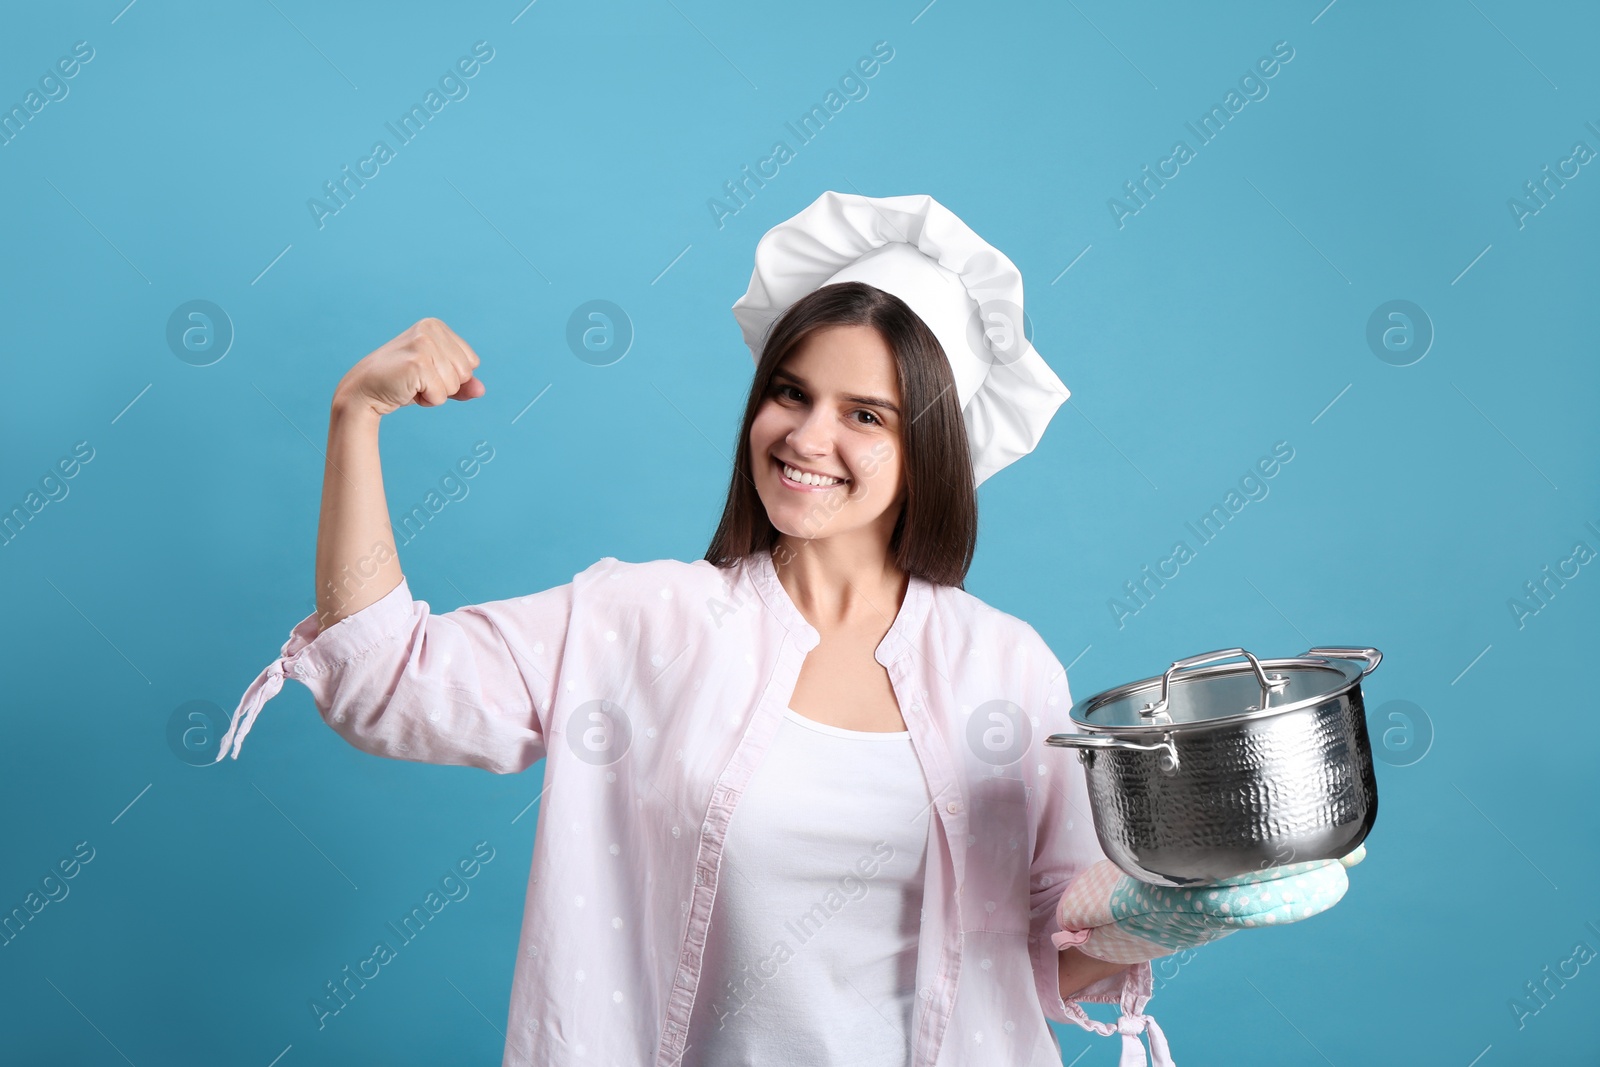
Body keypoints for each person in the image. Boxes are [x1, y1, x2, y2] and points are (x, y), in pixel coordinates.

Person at [215, 192, 1346, 1067]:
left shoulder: (1002, 665)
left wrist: (1169, 909)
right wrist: (353, 416)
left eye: (866, 414)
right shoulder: (634, 621)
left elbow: (1060, 938)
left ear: (929, 452)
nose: (807, 435)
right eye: (789, 391)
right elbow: (387, 680)